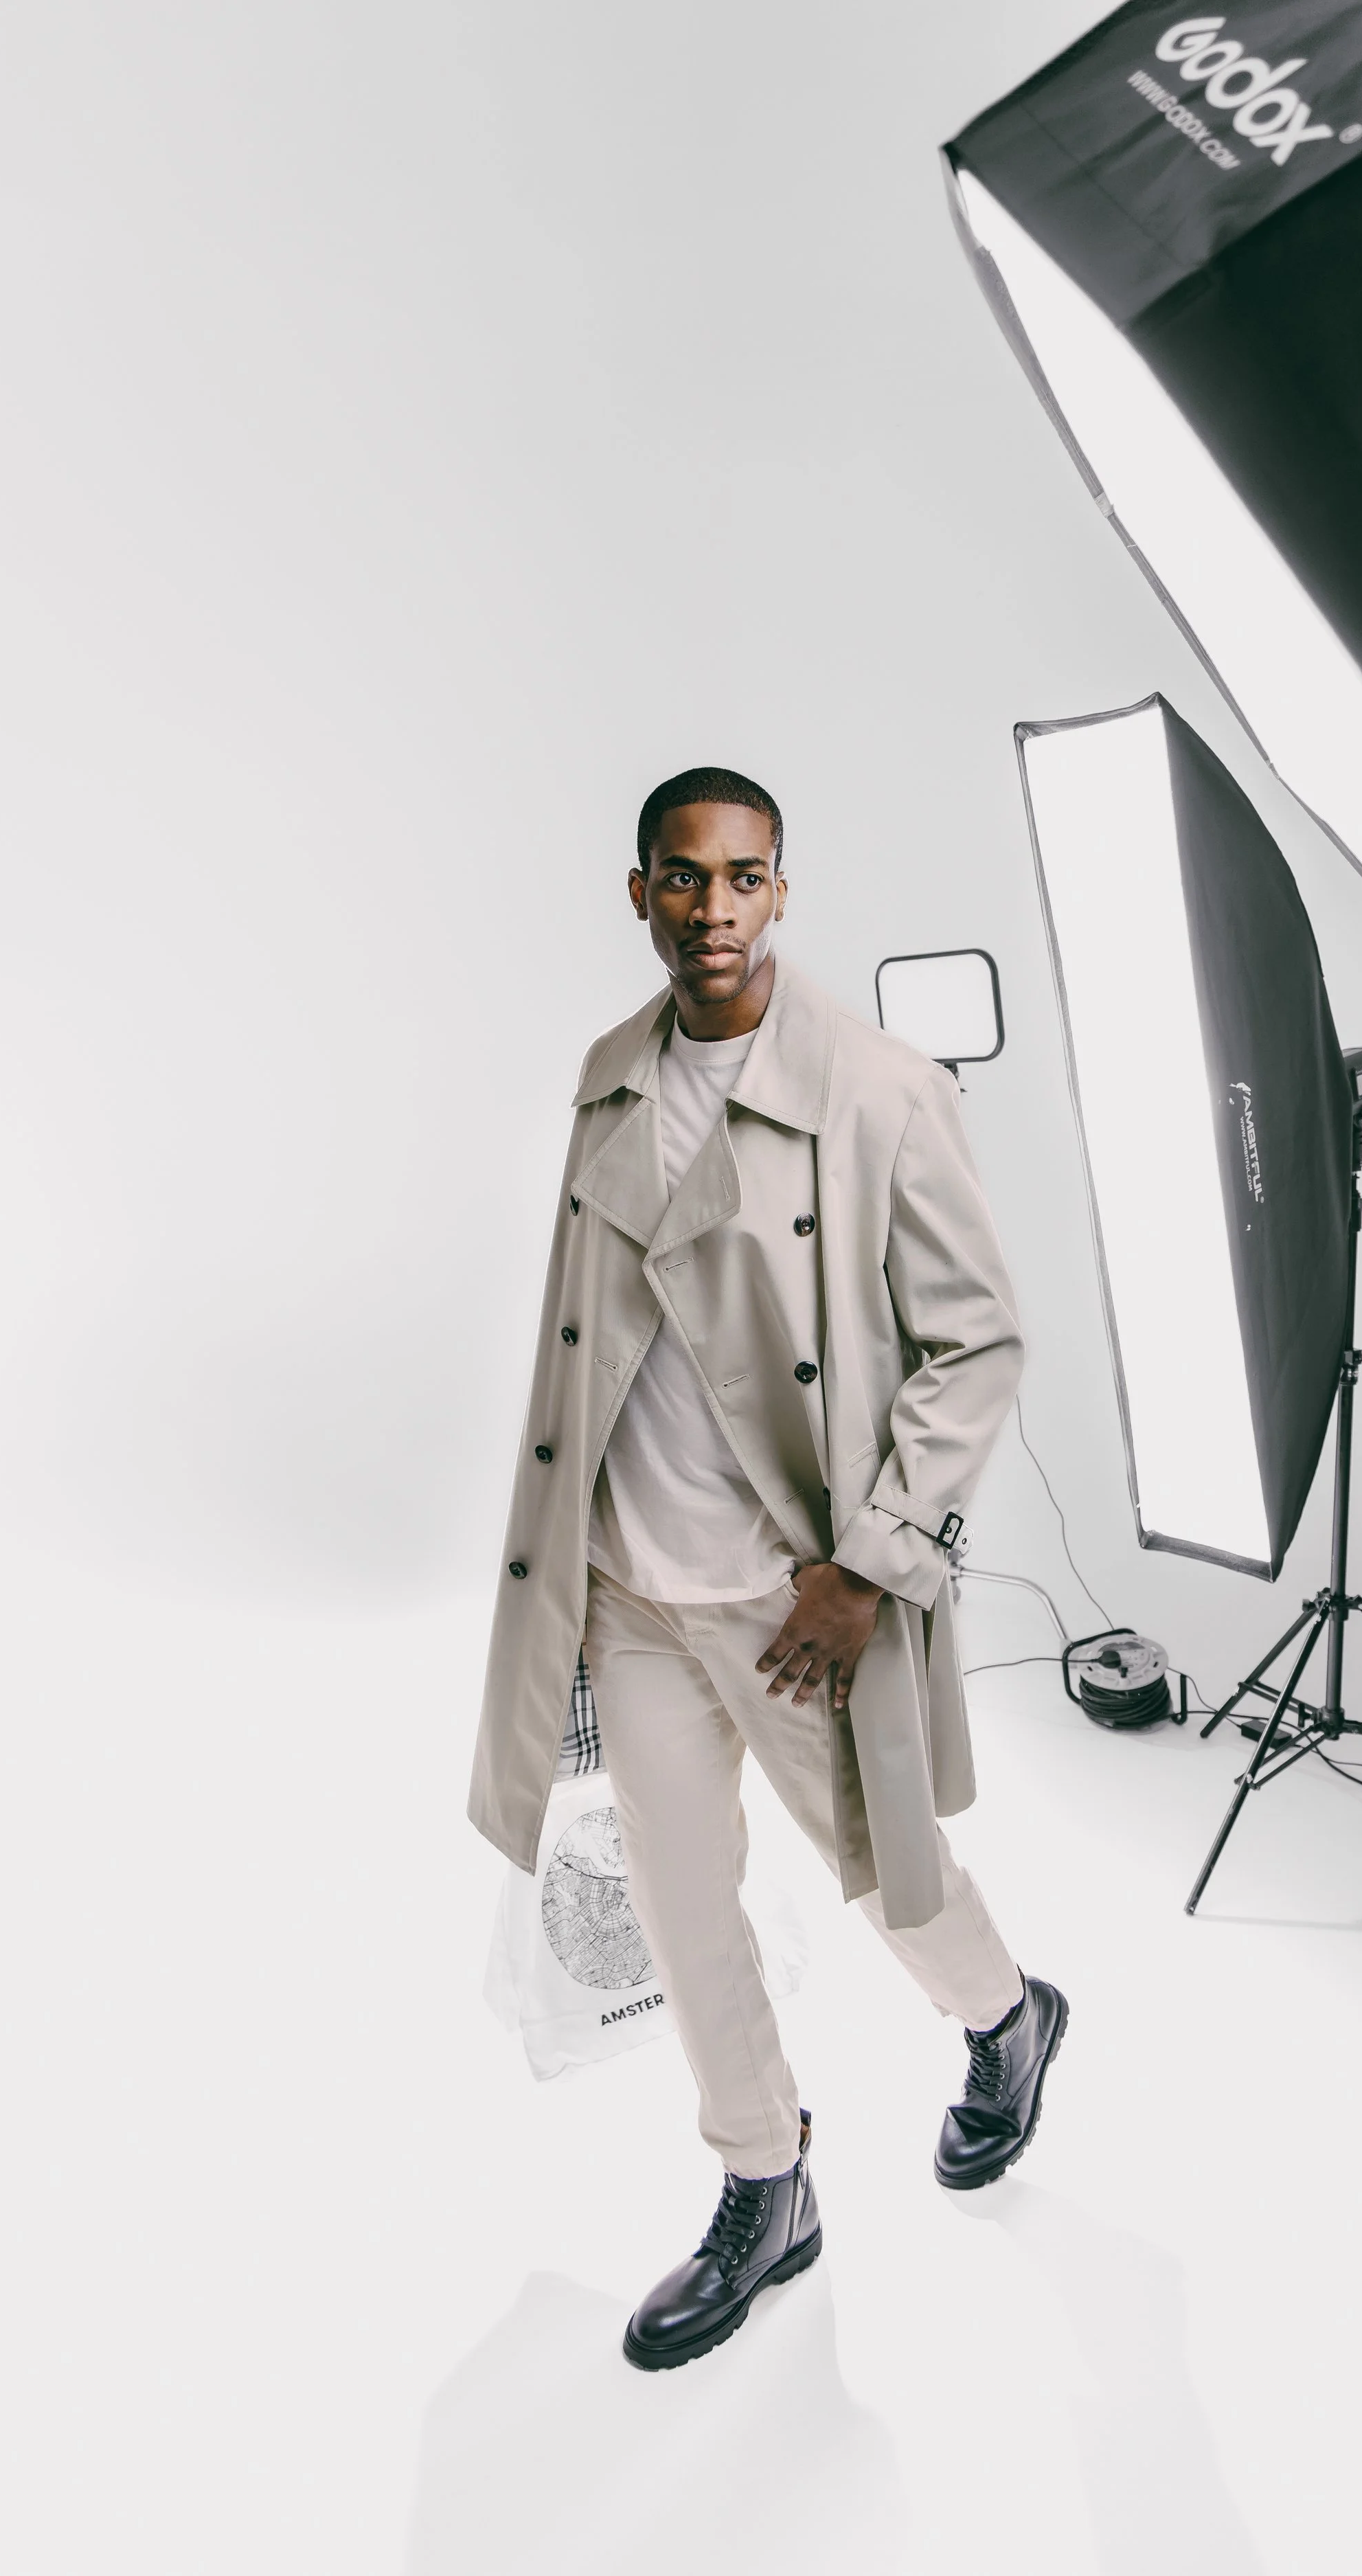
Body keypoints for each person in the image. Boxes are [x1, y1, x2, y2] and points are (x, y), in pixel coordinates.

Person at [468, 764, 1066, 2371]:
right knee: (677, 1903)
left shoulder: (876, 1089)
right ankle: (762, 2178)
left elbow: (980, 1340)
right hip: (634, 1592)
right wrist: (569, 1580)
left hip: (799, 1596)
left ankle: (1007, 2021)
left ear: (781, 892)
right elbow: (584, 1345)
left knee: (886, 1881)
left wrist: (867, 1564)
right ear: (640, 891)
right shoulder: (608, 1076)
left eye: (742, 880)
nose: (711, 909)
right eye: (681, 878)